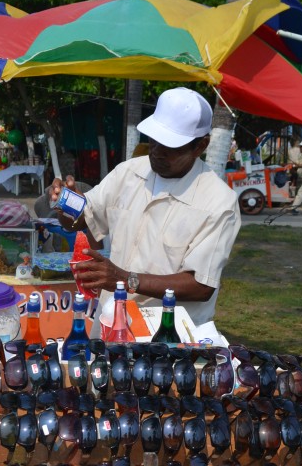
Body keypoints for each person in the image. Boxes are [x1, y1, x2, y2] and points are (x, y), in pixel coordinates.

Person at [48, 87, 241, 332]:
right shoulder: (129, 172)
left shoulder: (218, 202)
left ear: (200, 146)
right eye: (153, 140)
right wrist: (65, 205)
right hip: (111, 324)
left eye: (170, 146)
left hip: (169, 336)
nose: (157, 151)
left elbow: (201, 286)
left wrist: (126, 279)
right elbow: (82, 219)